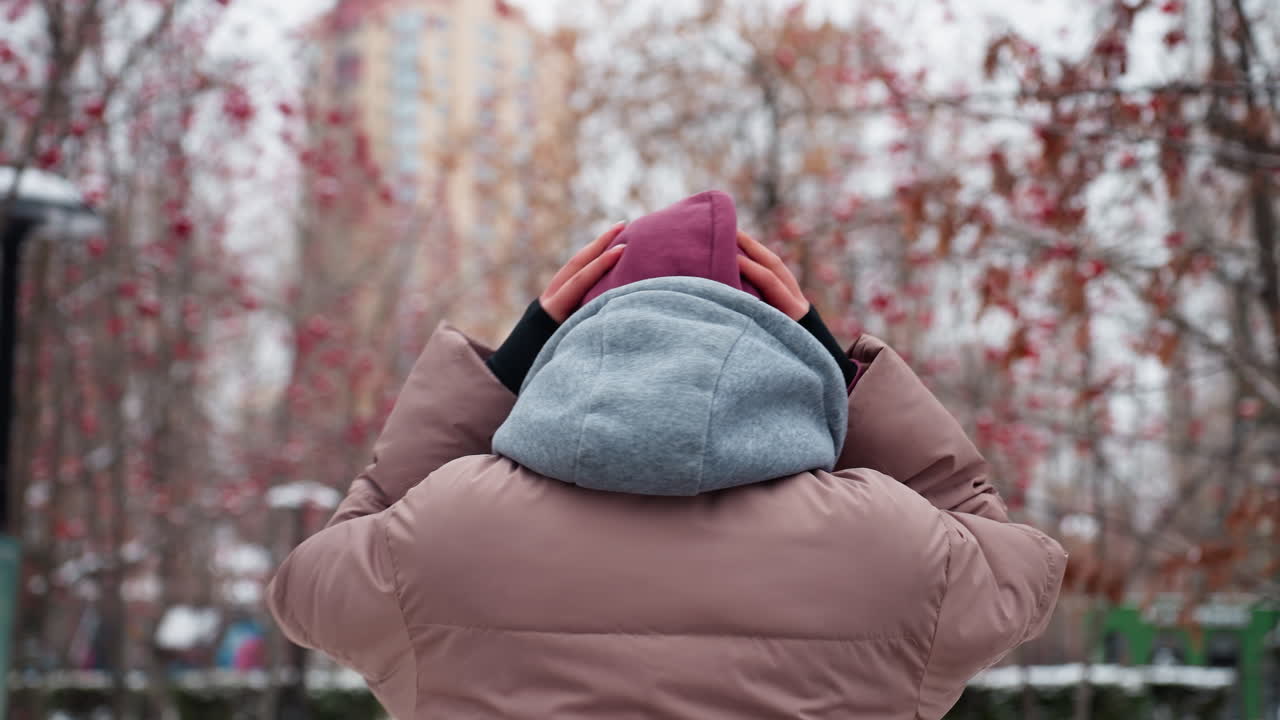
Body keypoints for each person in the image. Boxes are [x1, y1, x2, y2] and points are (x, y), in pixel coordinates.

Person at [267, 191, 1066, 719]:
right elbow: (1016, 571)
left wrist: (500, 371)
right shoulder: (891, 539)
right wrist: (839, 366)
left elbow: (312, 583)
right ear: (779, 342)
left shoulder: (445, 525)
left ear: (575, 338)